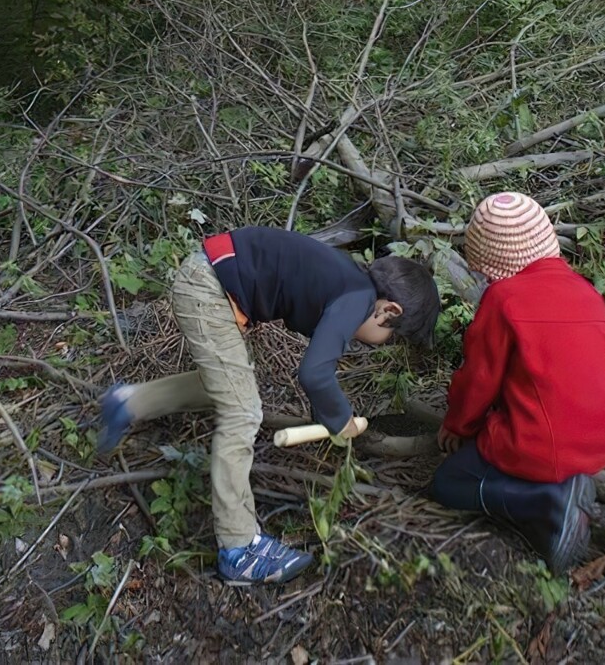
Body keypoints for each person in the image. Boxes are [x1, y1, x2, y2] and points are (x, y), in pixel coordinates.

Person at [97, 226, 440, 585]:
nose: (381, 343)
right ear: (389, 310)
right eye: (391, 337)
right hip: (208, 288)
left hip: (206, 274)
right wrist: (342, 422)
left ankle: (128, 402)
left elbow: (317, 372)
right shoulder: (357, 298)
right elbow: (315, 373)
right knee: (243, 411)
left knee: (228, 384)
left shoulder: (347, 280)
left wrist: (323, 413)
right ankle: (238, 548)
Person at [431, 192, 605, 575]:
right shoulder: (585, 290)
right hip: (602, 435)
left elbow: (479, 379)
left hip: (546, 443)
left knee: (447, 483)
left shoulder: (503, 298)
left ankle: (548, 500)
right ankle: (564, 488)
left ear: (489, 260)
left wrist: (458, 426)